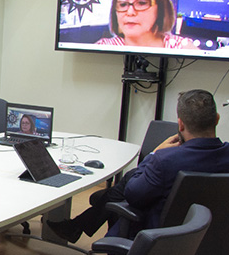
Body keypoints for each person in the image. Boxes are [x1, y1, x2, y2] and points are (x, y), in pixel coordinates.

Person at [48, 89, 229, 242]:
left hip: (160, 238)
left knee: (122, 186)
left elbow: (133, 195)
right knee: (120, 185)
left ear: (180, 125)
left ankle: (79, 225)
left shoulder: (165, 160)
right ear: (217, 119)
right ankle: (79, 225)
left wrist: (154, 154)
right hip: (213, 237)